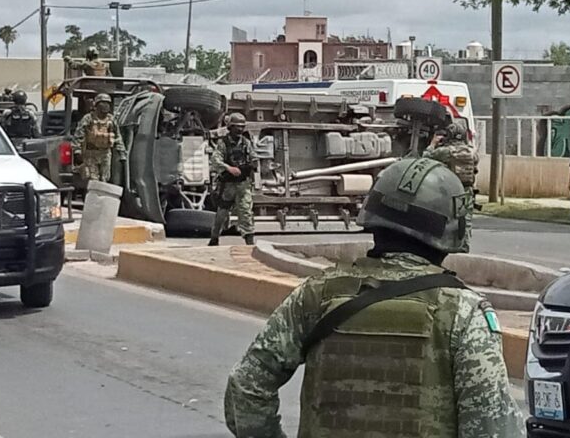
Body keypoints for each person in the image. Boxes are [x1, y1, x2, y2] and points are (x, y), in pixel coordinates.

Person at [224, 157, 525, 438]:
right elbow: (492, 426)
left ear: (373, 217)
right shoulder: (463, 312)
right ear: (451, 229)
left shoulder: (316, 294)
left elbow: (247, 388)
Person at [423, 121, 478, 246]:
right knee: (466, 218)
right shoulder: (472, 152)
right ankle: (464, 244)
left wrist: (433, 144)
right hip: (467, 190)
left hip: (449, 190)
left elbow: (425, 157)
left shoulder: (445, 152)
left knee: (445, 216)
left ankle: (442, 243)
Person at [209, 113, 257, 246]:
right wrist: (229, 168)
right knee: (222, 214)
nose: (240, 130)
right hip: (228, 185)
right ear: (230, 127)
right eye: (237, 127)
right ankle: (214, 238)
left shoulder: (246, 143)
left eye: (242, 127)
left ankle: (250, 243)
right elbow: (215, 160)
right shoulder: (223, 143)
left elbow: (254, 157)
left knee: (246, 212)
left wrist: (252, 165)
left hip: (243, 184)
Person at [73, 93, 126, 184]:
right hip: (91, 154)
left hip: (105, 154)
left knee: (105, 179)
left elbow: (117, 137)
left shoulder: (111, 119)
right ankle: (93, 197)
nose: (105, 106)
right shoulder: (88, 118)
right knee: (93, 180)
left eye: (107, 103)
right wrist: (77, 150)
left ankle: (102, 198)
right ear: (96, 105)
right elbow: (79, 135)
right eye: (102, 103)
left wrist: (122, 153)